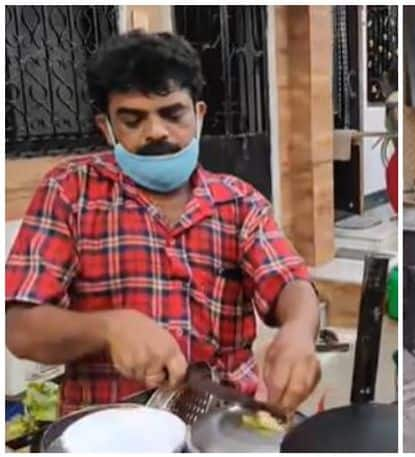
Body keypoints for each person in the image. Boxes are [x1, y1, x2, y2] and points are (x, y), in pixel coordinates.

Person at [6, 31, 320, 416]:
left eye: (172, 114)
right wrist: (109, 327)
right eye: (133, 119)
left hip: (223, 423)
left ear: (199, 115)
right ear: (107, 128)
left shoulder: (239, 202)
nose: (156, 131)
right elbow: (20, 329)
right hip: (108, 428)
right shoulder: (70, 191)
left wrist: (299, 332)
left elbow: (290, 282)